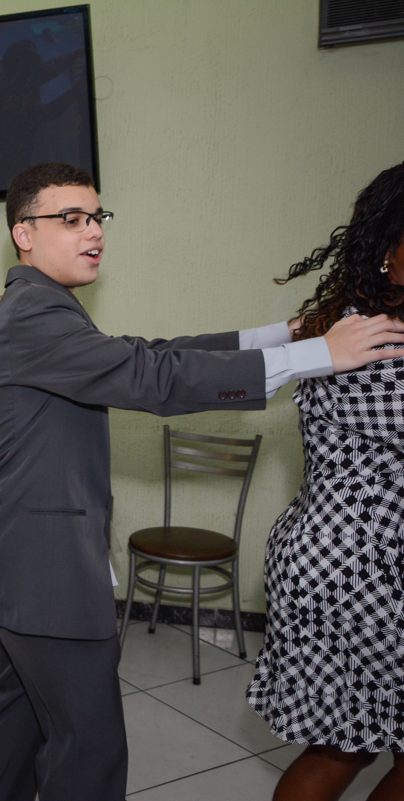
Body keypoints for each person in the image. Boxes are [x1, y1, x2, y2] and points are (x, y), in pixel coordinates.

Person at [0, 162, 404, 801]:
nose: (94, 232)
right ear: (22, 233)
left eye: (97, 216)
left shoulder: (46, 308)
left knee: (15, 725)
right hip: (44, 572)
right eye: (71, 218)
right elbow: (154, 377)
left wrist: (286, 334)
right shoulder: (32, 314)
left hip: (25, 567)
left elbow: (157, 350)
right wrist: (319, 356)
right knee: (89, 753)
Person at [247, 162, 404, 801]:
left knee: (362, 742)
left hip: (354, 558)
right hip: (356, 573)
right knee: (345, 745)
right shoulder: (377, 338)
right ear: (388, 250)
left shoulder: (356, 318)